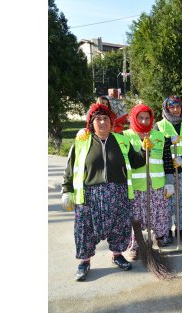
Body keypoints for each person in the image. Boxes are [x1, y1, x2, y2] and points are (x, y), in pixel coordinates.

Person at [61, 102, 147, 281]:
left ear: (111, 122)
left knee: (119, 226)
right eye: (98, 119)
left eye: (105, 119)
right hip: (89, 196)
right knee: (85, 229)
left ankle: (117, 255)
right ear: (91, 123)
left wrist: (145, 149)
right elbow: (71, 167)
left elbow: (137, 162)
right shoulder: (82, 142)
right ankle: (84, 262)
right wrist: (66, 190)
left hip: (118, 193)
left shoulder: (122, 141)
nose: (102, 122)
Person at [122, 104, 176, 258]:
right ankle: (136, 246)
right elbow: (128, 162)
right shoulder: (126, 136)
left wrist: (169, 182)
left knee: (159, 214)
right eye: (141, 118)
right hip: (137, 187)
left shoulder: (158, 136)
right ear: (134, 118)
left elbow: (167, 161)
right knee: (137, 217)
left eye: (147, 118)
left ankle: (159, 239)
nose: (144, 121)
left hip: (157, 185)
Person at [153, 95, 182, 243]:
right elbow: (155, 147)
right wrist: (168, 142)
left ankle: (180, 229)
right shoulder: (159, 126)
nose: (175, 110)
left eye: (178, 106)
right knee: (166, 202)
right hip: (166, 172)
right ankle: (165, 230)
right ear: (166, 108)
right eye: (172, 107)